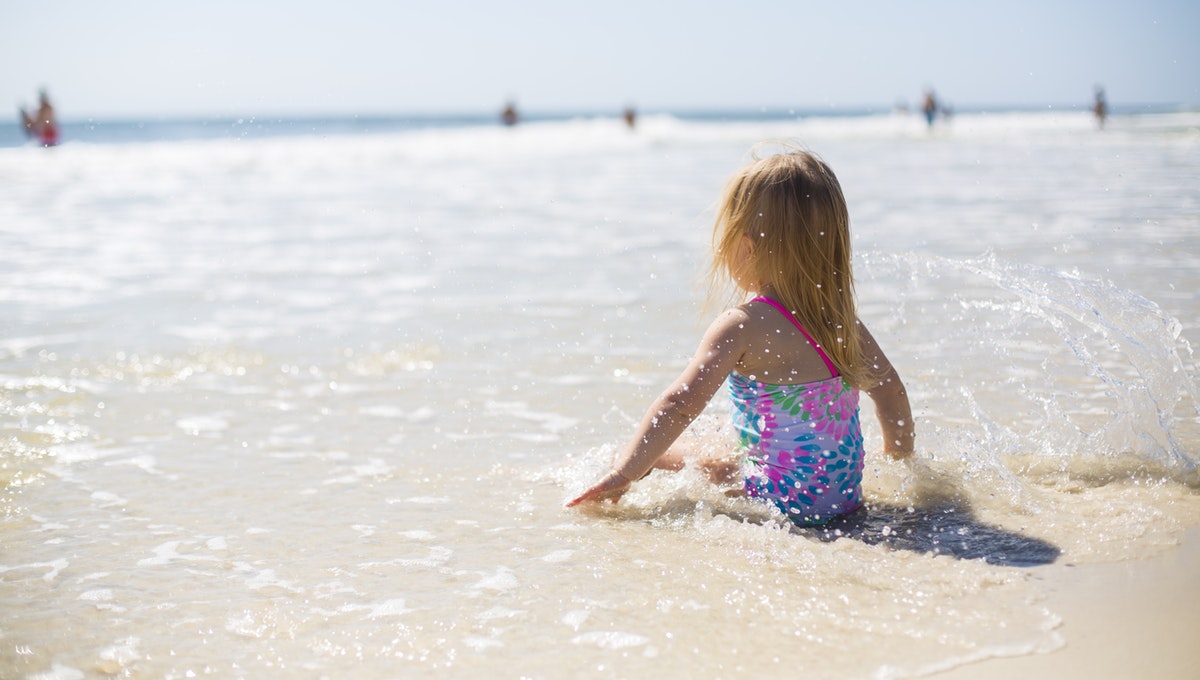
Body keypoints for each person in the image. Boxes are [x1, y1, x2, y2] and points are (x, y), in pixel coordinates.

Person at [567, 147, 915, 526]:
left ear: (746, 246)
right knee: (720, 430)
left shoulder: (742, 325)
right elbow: (890, 391)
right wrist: (899, 463)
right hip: (842, 502)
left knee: (657, 454)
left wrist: (626, 472)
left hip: (777, 503)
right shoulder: (843, 323)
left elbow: (679, 405)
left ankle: (576, 478)